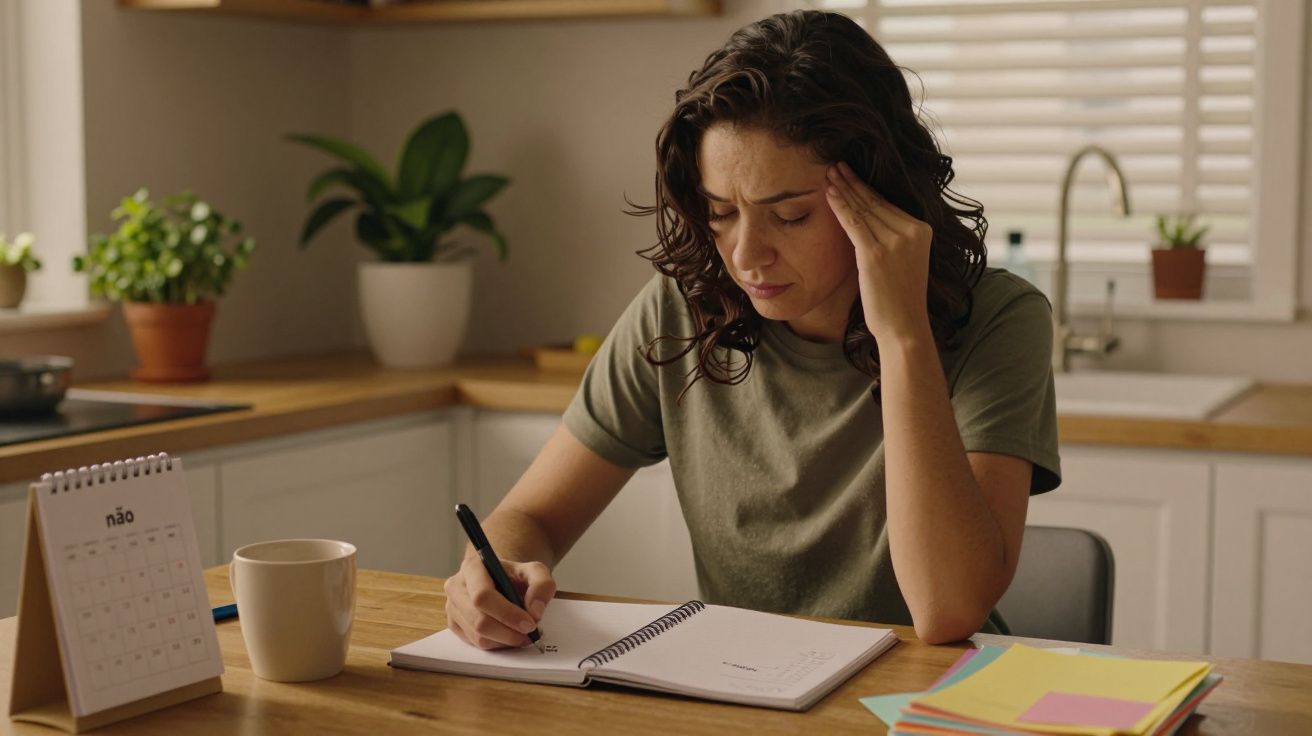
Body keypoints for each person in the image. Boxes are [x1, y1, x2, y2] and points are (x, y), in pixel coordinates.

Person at [443, 9, 1061, 648]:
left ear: (883, 198)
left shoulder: (997, 319)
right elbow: (533, 516)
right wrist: (495, 572)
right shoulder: (683, 308)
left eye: (789, 217)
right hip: (747, 692)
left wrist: (902, 334)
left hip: (928, 698)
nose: (745, 255)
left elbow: (948, 610)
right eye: (721, 213)